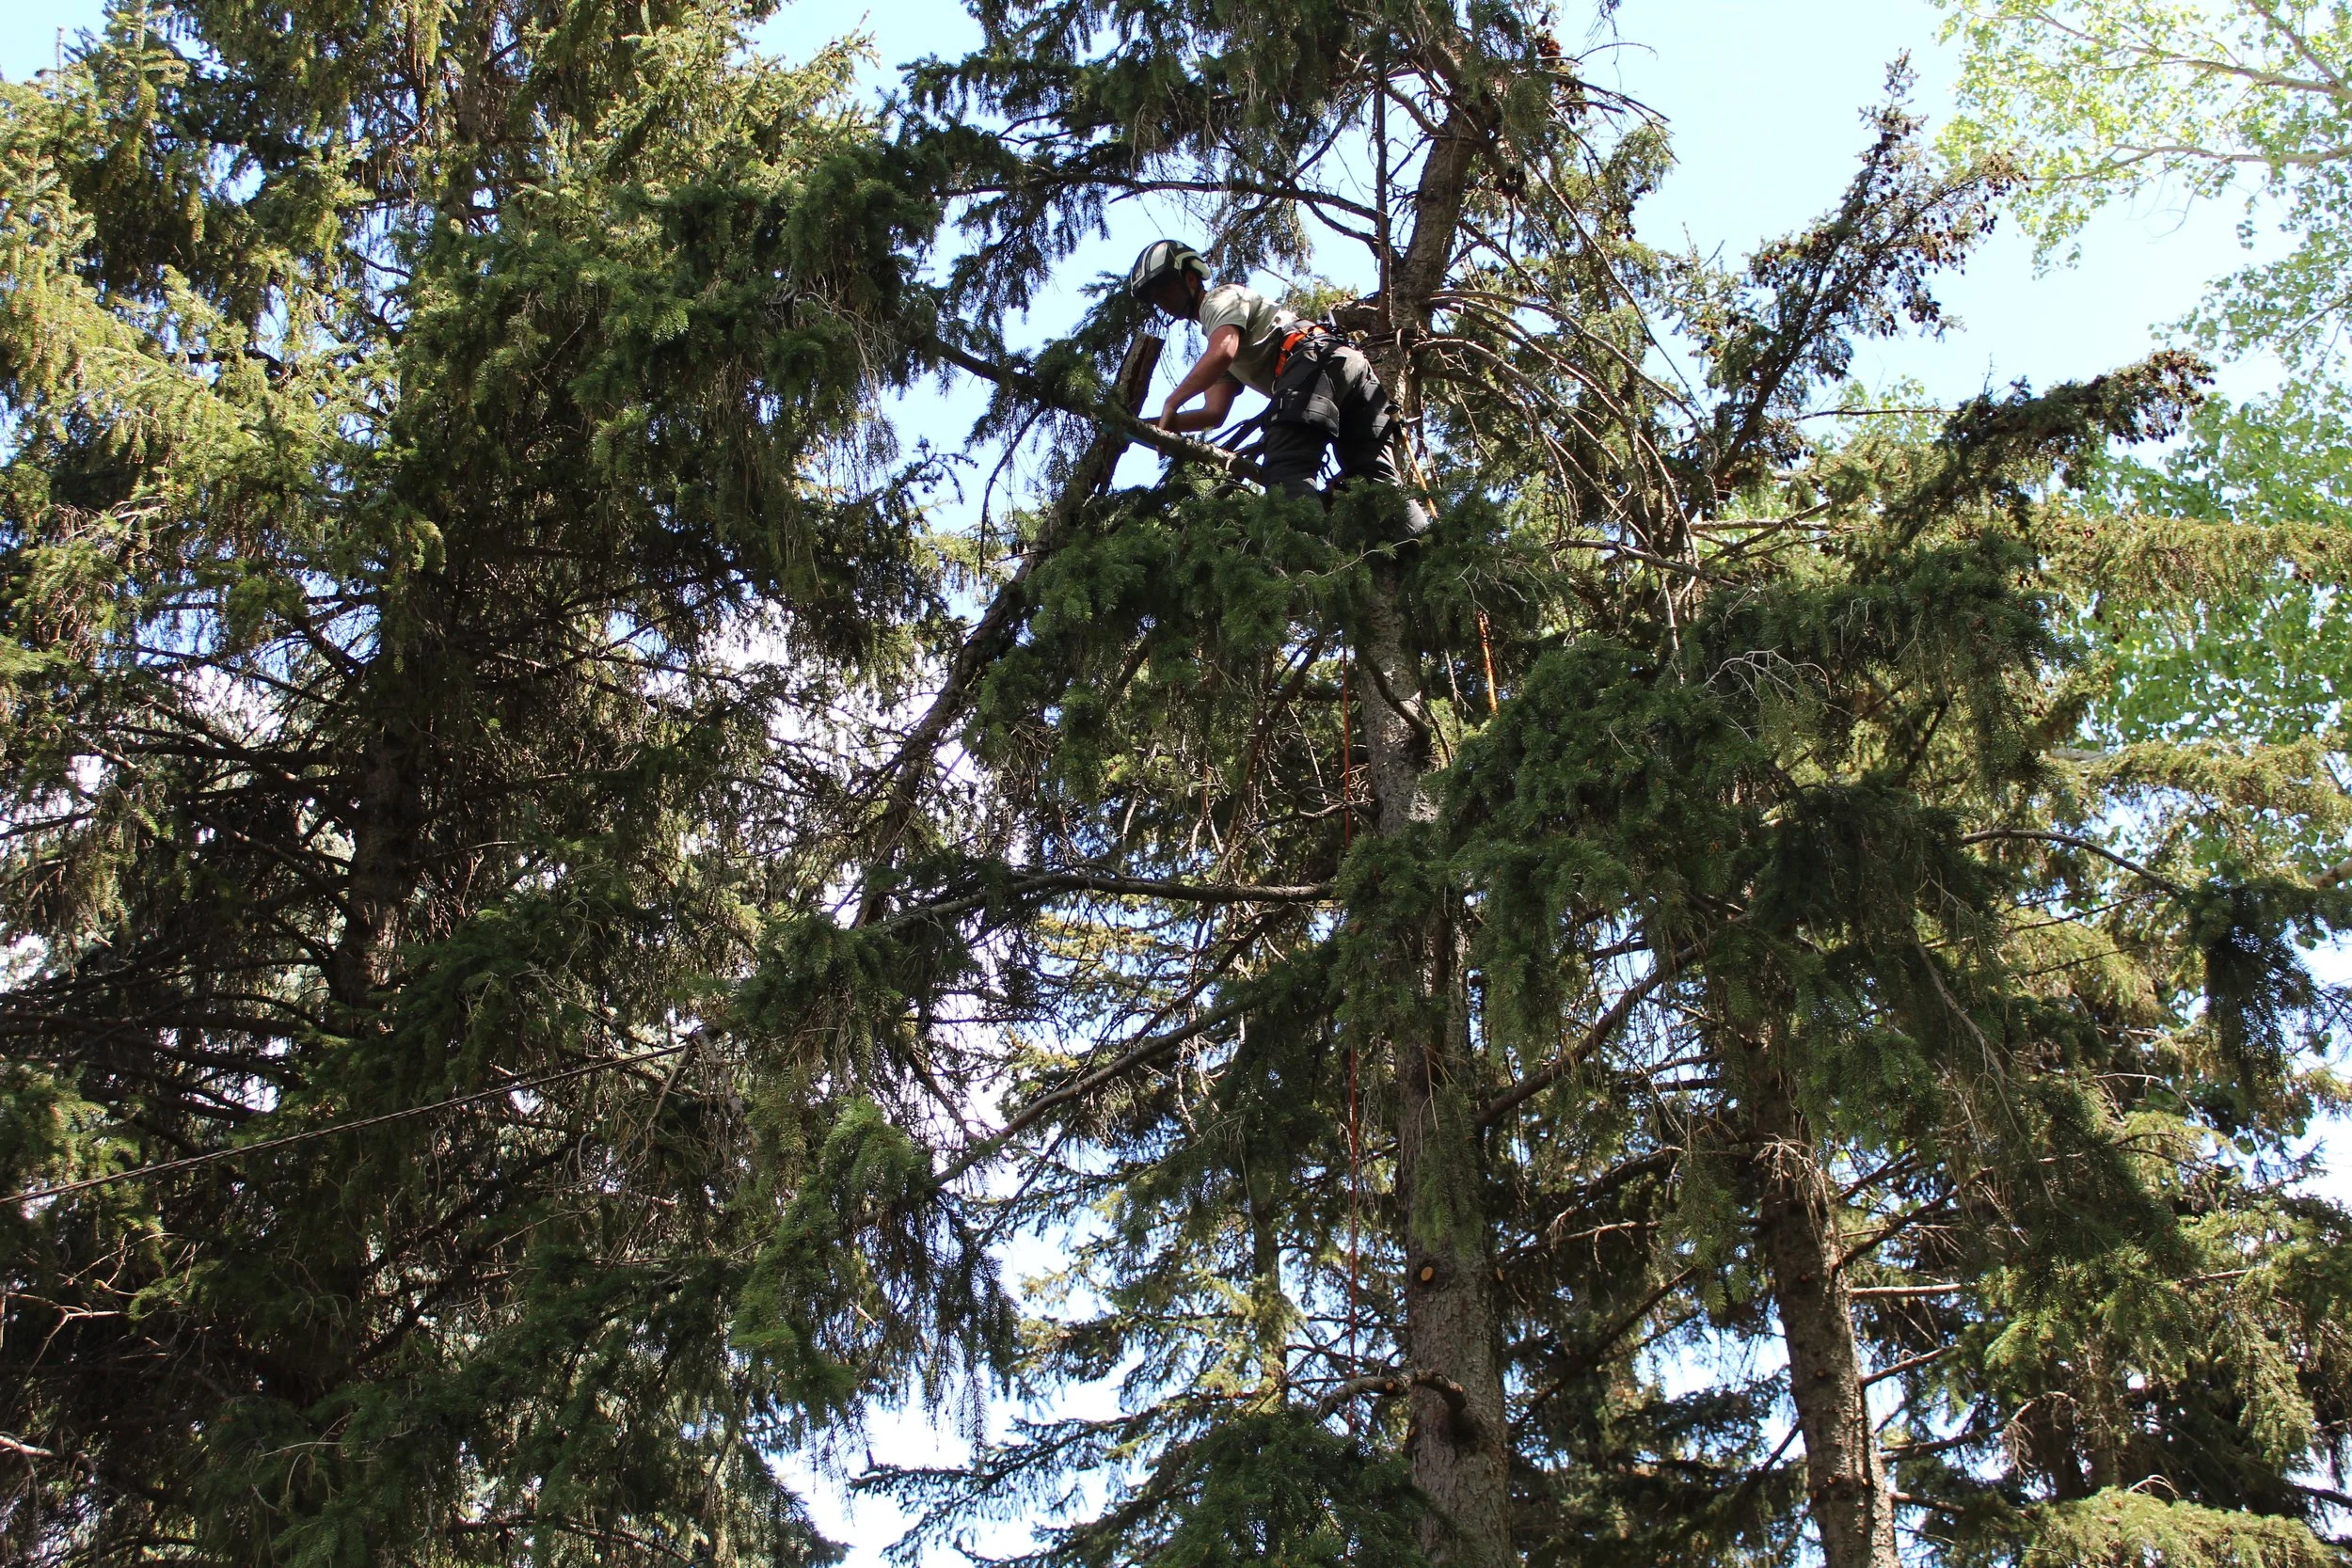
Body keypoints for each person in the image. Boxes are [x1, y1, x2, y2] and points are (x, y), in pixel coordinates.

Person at [1126, 240, 1427, 534]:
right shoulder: (1221, 341)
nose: (1161, 301)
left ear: (1190, 278)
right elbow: (1213, 413)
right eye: (1154, 297)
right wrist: (1146, 427)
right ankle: (1427, 551)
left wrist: (1171, 401)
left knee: (1286, 470)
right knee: (1376, 484)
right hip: (1346, 368)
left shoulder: (1220, 299)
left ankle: (1312, 568)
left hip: (1315, 358)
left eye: (1164, 288)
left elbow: (1224, 350)